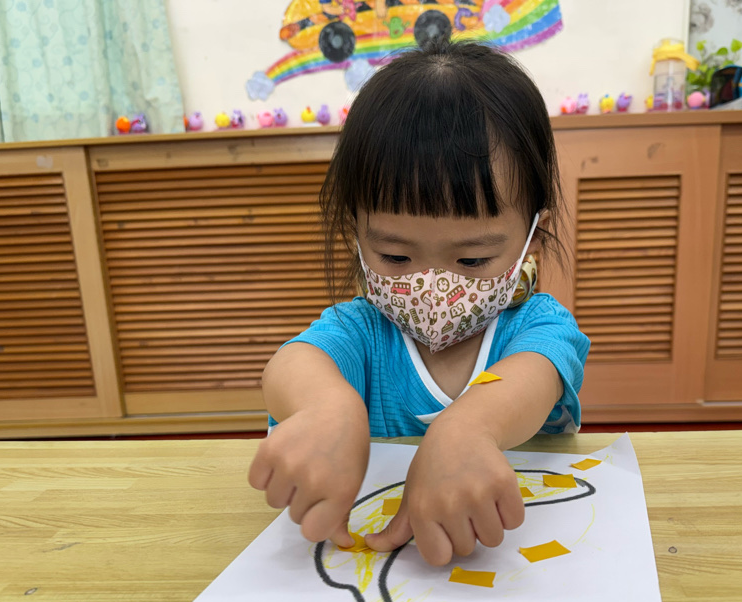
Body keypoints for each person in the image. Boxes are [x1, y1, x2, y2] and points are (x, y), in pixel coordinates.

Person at [248, 39, 590, 566]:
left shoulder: (538, 328)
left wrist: (468, 428)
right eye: (395, 255)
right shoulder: (361, 332)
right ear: (356, 232)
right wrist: (325, 408)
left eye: (472, 259)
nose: (432, 284)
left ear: (532, 238)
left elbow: (530, 377)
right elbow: (293, 364)